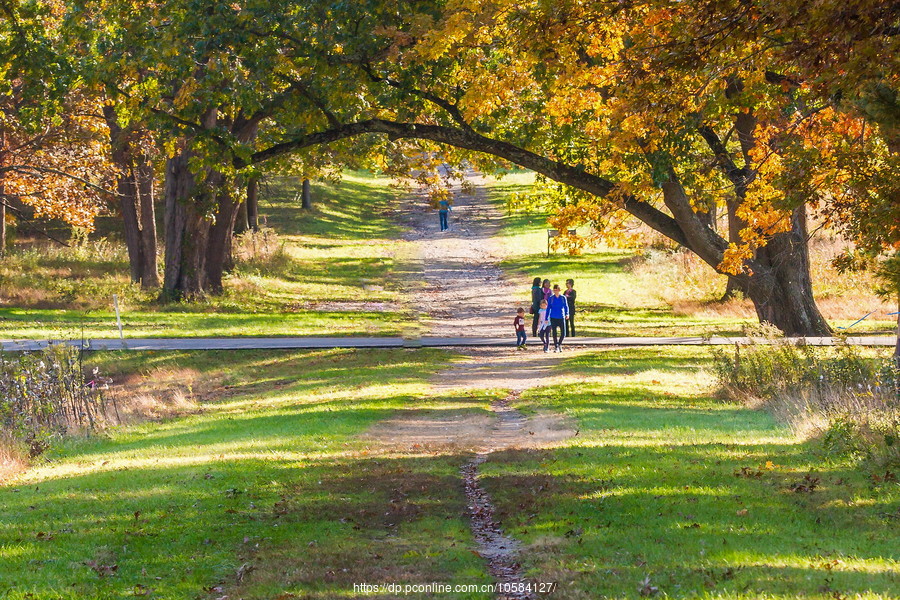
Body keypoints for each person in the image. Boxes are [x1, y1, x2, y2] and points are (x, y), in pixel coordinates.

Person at [546, 284, 570, 352]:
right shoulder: (551, 298)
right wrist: (546, 317)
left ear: (559, 290)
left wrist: (567, 314)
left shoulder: (563, 298)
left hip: (561, 317)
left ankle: (559, 344)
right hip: (553, 317)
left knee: (563, 333)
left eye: (557, 290)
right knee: (554, 332)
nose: (555, 291)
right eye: (554, 290)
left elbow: (566, 306)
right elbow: (548, 308)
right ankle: (556, 346)